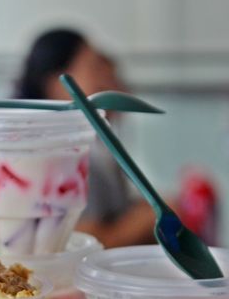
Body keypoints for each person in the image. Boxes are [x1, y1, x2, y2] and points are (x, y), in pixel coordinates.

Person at [13, 28, 157, 247]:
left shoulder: (99, 150)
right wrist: (156, 217)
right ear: (56, 82)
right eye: (95, 69)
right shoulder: (61, 156)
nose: (111, 83)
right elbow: (86, 240)